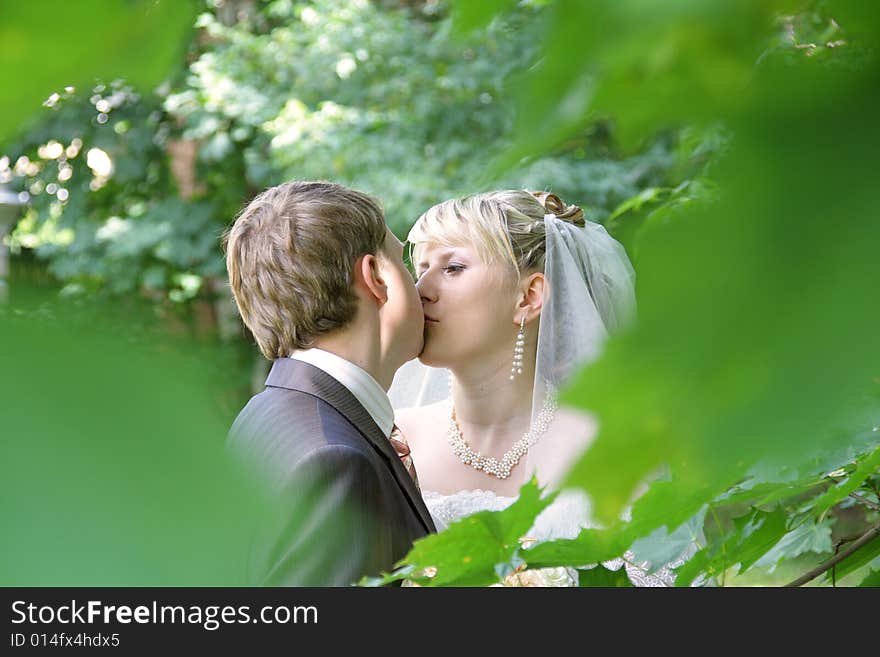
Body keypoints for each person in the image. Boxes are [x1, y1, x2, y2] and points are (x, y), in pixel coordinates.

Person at [391, 189, 691, 586]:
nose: (421, 290)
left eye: (453, 268)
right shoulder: (394, 440)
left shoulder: (613, 452)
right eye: (422, 268)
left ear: (528, 298)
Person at [224, 180, 436, 587]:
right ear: (376, 276)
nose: (423, 288)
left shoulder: (263, 415)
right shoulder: (336, 461)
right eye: (405, 262)